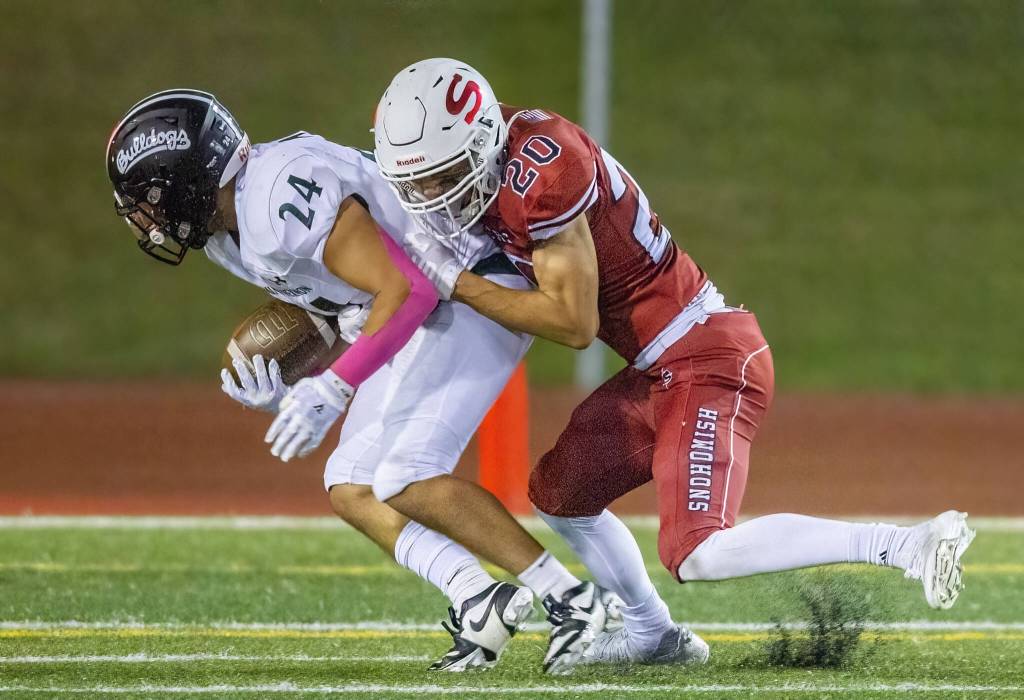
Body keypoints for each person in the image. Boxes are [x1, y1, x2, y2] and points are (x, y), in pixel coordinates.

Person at [372, 58, 977, 665]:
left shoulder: (542, 173)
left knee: (697, 551)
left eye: (444, 175)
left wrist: (455, 282)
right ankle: (653, 635)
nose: (432, 194)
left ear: (480, 141)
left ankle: (905, 544)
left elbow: (574, 324)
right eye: (421, 180)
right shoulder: (494, 153)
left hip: (705, 353)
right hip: (659, 365)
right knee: (560, 495)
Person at [104, 89, 612, 674]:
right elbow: (343, 307)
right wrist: (298, 385)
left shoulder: (274, 202)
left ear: (188, 181)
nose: (145, 218)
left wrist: (335, 388)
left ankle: (572, 601)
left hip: (466, 284)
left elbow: (408, 290)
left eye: (150, 198)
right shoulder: (229, 232)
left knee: (406, 473)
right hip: (421, 305)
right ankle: (480, 598)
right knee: (350, 484)